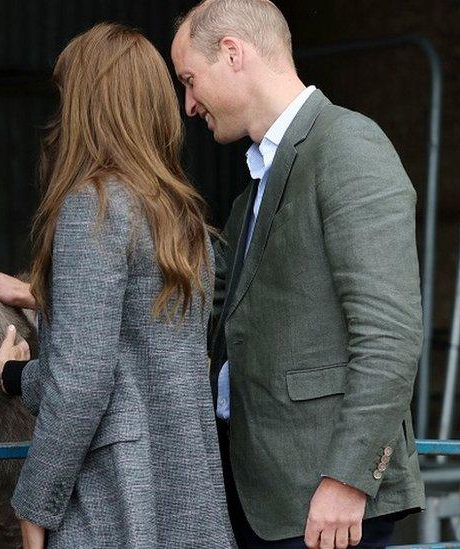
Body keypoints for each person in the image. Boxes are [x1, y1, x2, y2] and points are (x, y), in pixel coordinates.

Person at [169, 0, 425, 547]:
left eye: (191, 80)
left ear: (232, 53)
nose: (189, 105)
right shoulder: (251, 194)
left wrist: (347, 480)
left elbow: (390, 337)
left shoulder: (347, 145)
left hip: (324, 506)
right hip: (265, 500)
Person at [0, 22, 235, 549]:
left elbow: (83, 383)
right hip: (189, 494)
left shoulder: (91, 207)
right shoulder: (183, 219)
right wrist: (23, 372)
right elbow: (134, 358)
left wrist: (35, 502)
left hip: (117, 502)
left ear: (86, 107)